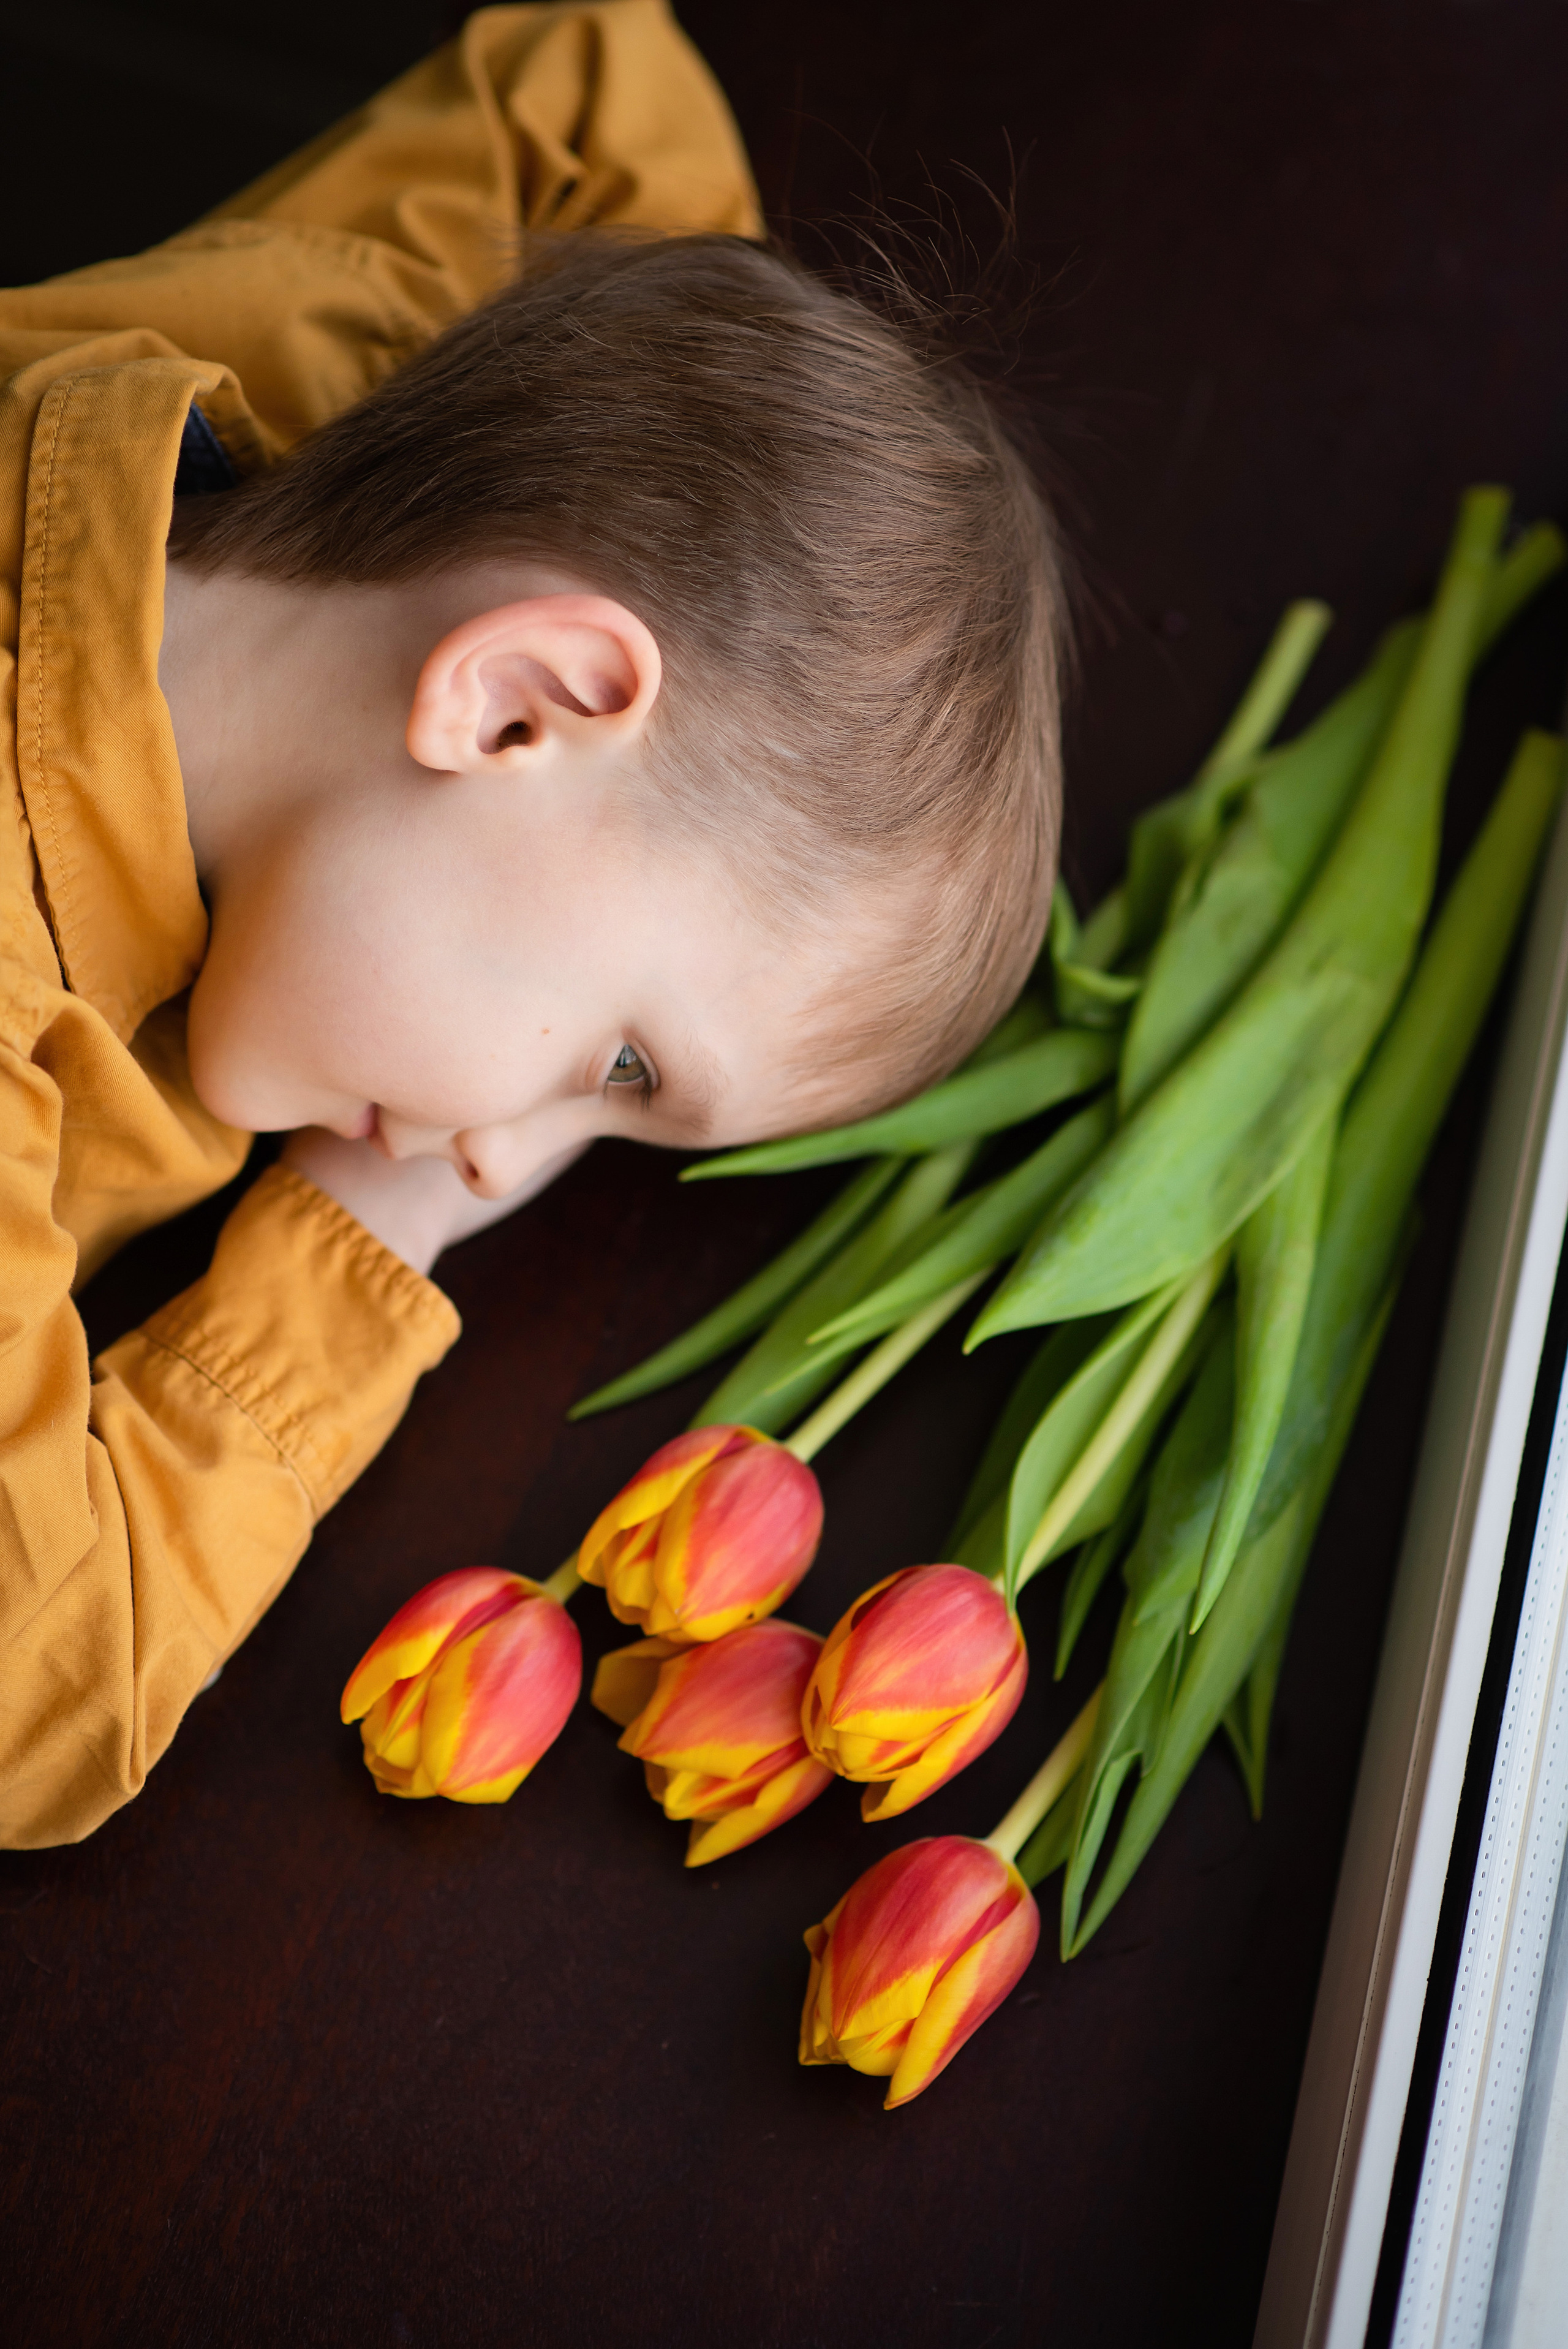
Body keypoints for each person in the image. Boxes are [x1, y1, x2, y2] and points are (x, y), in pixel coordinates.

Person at [0, 1, 1066, 1847]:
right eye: (623, 1064)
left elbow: (597, 77)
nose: (510, 1156)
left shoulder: (361, 368)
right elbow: (35, 1692)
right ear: (516, 710)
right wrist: (343, 1243)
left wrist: (688, 419)